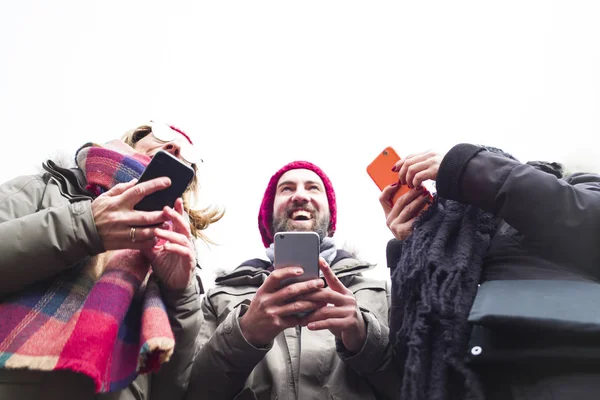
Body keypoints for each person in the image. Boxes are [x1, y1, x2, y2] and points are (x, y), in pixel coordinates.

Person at [0, 121, 223, 400]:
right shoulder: (44, 188)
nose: (176, 146)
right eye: (163, 136)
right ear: (134, 139)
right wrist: (86, 227)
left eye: (189, 155)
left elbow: (170, 390)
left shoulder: (179, 251)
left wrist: (180, 295)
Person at [379, 144, 600, 400]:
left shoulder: (568, 184)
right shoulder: (444, 239)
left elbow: (588, 220)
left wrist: (467, 167)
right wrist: (412, 246)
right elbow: (410, 360)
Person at [185, 160, 397, 400]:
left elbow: (418, 387)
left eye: (313, 188)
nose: (300, 196)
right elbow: (190, 392)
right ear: (269, 214)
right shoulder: (219, 297)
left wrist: (365, 340)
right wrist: (243, 336)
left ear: (330, 216)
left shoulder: (381, 294)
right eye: (286, 188)